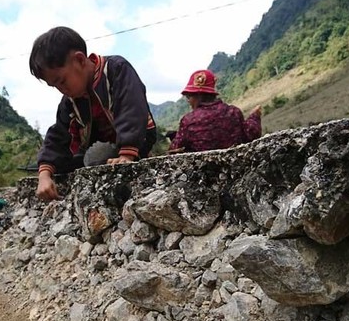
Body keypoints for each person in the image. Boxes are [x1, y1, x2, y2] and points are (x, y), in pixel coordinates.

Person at [29, 26, 157, 201]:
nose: (61, 90)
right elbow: (59, 134)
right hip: (98, 148)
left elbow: (132, 109)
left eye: (62, 81)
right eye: (55, 86)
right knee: (68, 163)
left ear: (80, 60)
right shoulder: (70, 100)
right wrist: (44, 175)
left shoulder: (116, 69)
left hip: (134, 142)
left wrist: (127, 153)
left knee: (96, 156)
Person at [168, 69, 261, 154]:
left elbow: (174, 149)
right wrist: (254, 117)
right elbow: (250, 135)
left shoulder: (188, 121)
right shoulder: (234, 112)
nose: (188, 101)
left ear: (199, 95)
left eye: (189, 96)